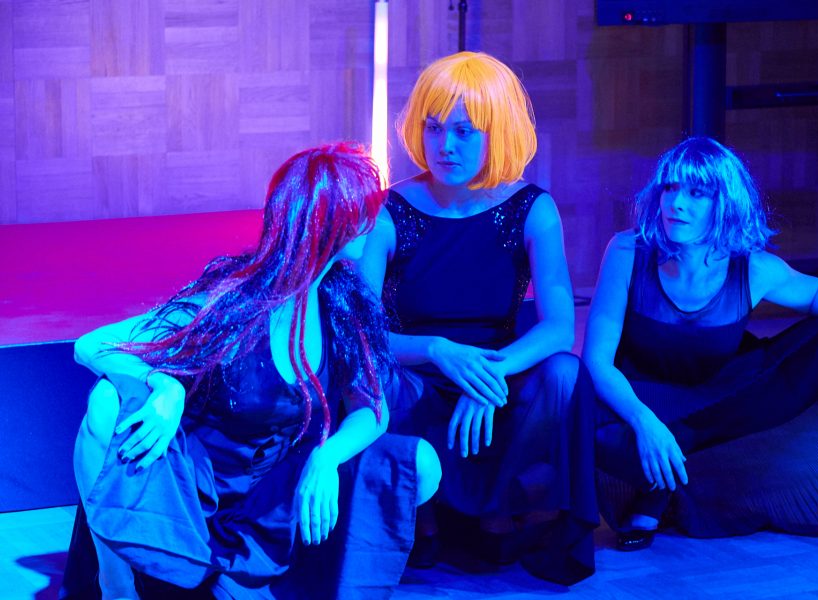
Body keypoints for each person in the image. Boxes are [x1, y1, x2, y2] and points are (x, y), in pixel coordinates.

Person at [60, 143, 442, 599]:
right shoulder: (233, 301)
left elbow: (372, 409)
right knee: (106, 401)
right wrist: (164, 386)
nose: (372, 222)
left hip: (273, 500)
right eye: (363, 210)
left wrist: (327, 456)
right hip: (195, 497)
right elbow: (92, 344)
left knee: (418, 465)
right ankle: (118, 584)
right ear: (331, 220)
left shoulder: (343, 303)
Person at [584, 136, 818, 562]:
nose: (677, 203)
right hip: (645, 399)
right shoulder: (627, 250)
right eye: (671, 188)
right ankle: (654, 489)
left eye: (697, 193)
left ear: (724, 203)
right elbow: (597, 361)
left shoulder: (750, 266)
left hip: (721, 400)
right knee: (595, 428)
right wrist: (644, 422)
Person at [357, 51, 598, 585]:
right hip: (416, 374)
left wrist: (491, 375)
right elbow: (363, 334)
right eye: (435, 127)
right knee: (382, 384)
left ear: (498, 131)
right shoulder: (387, 210)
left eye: (465, 131)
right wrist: (437, 349)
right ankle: (421, 521)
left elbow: (560, 327)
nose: (446, 145)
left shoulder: (532, 208)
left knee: (564, 373)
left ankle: (502, 512)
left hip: (495, 374)